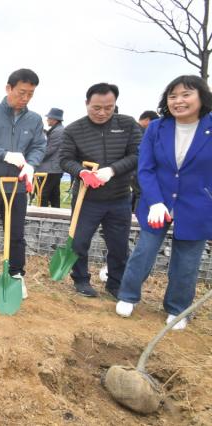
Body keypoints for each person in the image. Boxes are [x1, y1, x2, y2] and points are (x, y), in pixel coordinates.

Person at [115, 75, 212, 330]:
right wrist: (155, 201)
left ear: (201, 97)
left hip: (197, 206)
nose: (179, 101)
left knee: (187, 261)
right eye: (173, 96)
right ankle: (128, 295)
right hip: (157, 202)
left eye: (186, 95)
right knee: (144, 252)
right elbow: (145, 168)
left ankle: (177, 308)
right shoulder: (157, 128)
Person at [0, 68, 47, 298]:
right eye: (21, 92)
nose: (25, 98)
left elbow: (38, 146)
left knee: (15, 234)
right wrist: (5, 154)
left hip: (17, 186)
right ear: (8, 88)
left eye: (30, 94)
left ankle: (15, 274)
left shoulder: (34, 120)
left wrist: (31, 164)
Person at [59, 83, 141, 298]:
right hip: (87, 198)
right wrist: (82, 173)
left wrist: (113, 170)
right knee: (79, 242)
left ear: (115, 105)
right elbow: (65, 159)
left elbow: (137, 155)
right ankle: (81, 280)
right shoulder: (74, 130)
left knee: (118, 245)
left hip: (119, 197)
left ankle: (115, 283)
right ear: (87, 103)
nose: (102, 112)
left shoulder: (127, 124)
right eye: (96, 107)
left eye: (108, 107)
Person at [130, 110, 160, 211]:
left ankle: (132, 212)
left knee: (135, 192)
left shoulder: (129, 127)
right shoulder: (142, 131)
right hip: (139, 166)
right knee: (141, 193)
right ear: (147, 120)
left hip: (129, 167)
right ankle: (138, 216)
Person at [37, 108, 65, 207]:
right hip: (54, 168)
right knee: (54, 194)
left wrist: (35, 158)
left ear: (55, 119)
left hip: (51, 169)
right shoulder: (57, 130)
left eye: (49, 118)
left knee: (43, 194)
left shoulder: (58, 131)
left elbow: (49, 150)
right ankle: (56, 213)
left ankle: (42, 215)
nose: (47, 120)